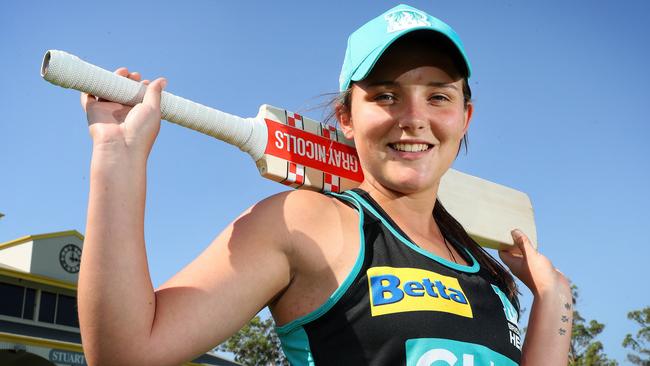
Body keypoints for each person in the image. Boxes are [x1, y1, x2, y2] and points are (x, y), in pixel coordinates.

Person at [78, 4, 572, 366]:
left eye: (438, 97)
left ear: (465, 118)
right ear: (347, 118)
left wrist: (554, 299)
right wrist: (116, 159)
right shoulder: (307, 222)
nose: (414, 118)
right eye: (386, 95)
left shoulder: (488, 278)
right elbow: (125, 354)